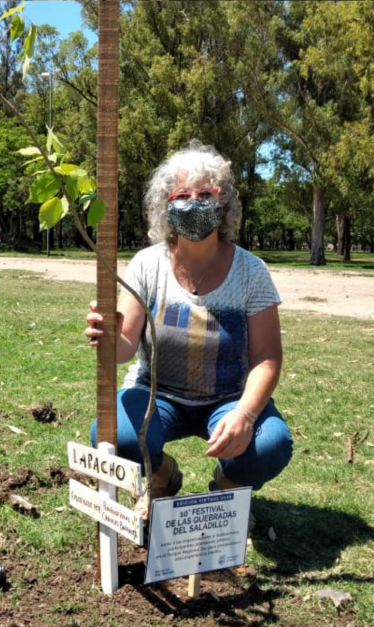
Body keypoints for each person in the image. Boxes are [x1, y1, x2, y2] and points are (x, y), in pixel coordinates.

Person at [82, 141, 292, 527]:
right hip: (156, 395)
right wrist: (107, 335)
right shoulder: (147, 265)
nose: (193, 203)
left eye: (206, 194)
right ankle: (160, 476)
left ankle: (225, 486)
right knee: (114, 434)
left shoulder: (251, 271)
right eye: (182, 195)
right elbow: (125, 347)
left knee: (271, 445)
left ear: (224, 203)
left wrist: (246, 413)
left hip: (228, 398)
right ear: (166, 205)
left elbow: (267, 357)